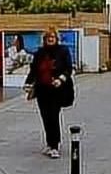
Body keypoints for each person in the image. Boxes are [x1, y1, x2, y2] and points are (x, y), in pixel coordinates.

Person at [25, 28, 75, 158]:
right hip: (42, 89)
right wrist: (28, 83)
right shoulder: (40, 53)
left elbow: (68, 68)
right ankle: (49, 142)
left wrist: (60, 80)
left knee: (53, 116)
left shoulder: (63, 51)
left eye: (52, 37)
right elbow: (34, 69)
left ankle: (55, 145)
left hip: (57, 89)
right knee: (45, 117)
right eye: (48, 38)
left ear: (56, 39)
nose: (50, 39)